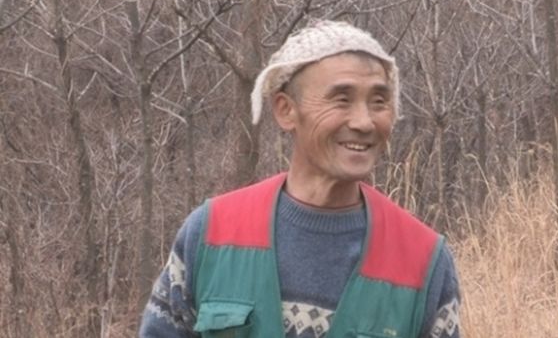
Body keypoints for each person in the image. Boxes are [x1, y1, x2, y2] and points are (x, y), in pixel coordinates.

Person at [139, 20, 460, 338]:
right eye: (341, 99)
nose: (364, 122)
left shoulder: (424, 262)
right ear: (285, 110)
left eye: (379, 101)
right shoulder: (212, 234)